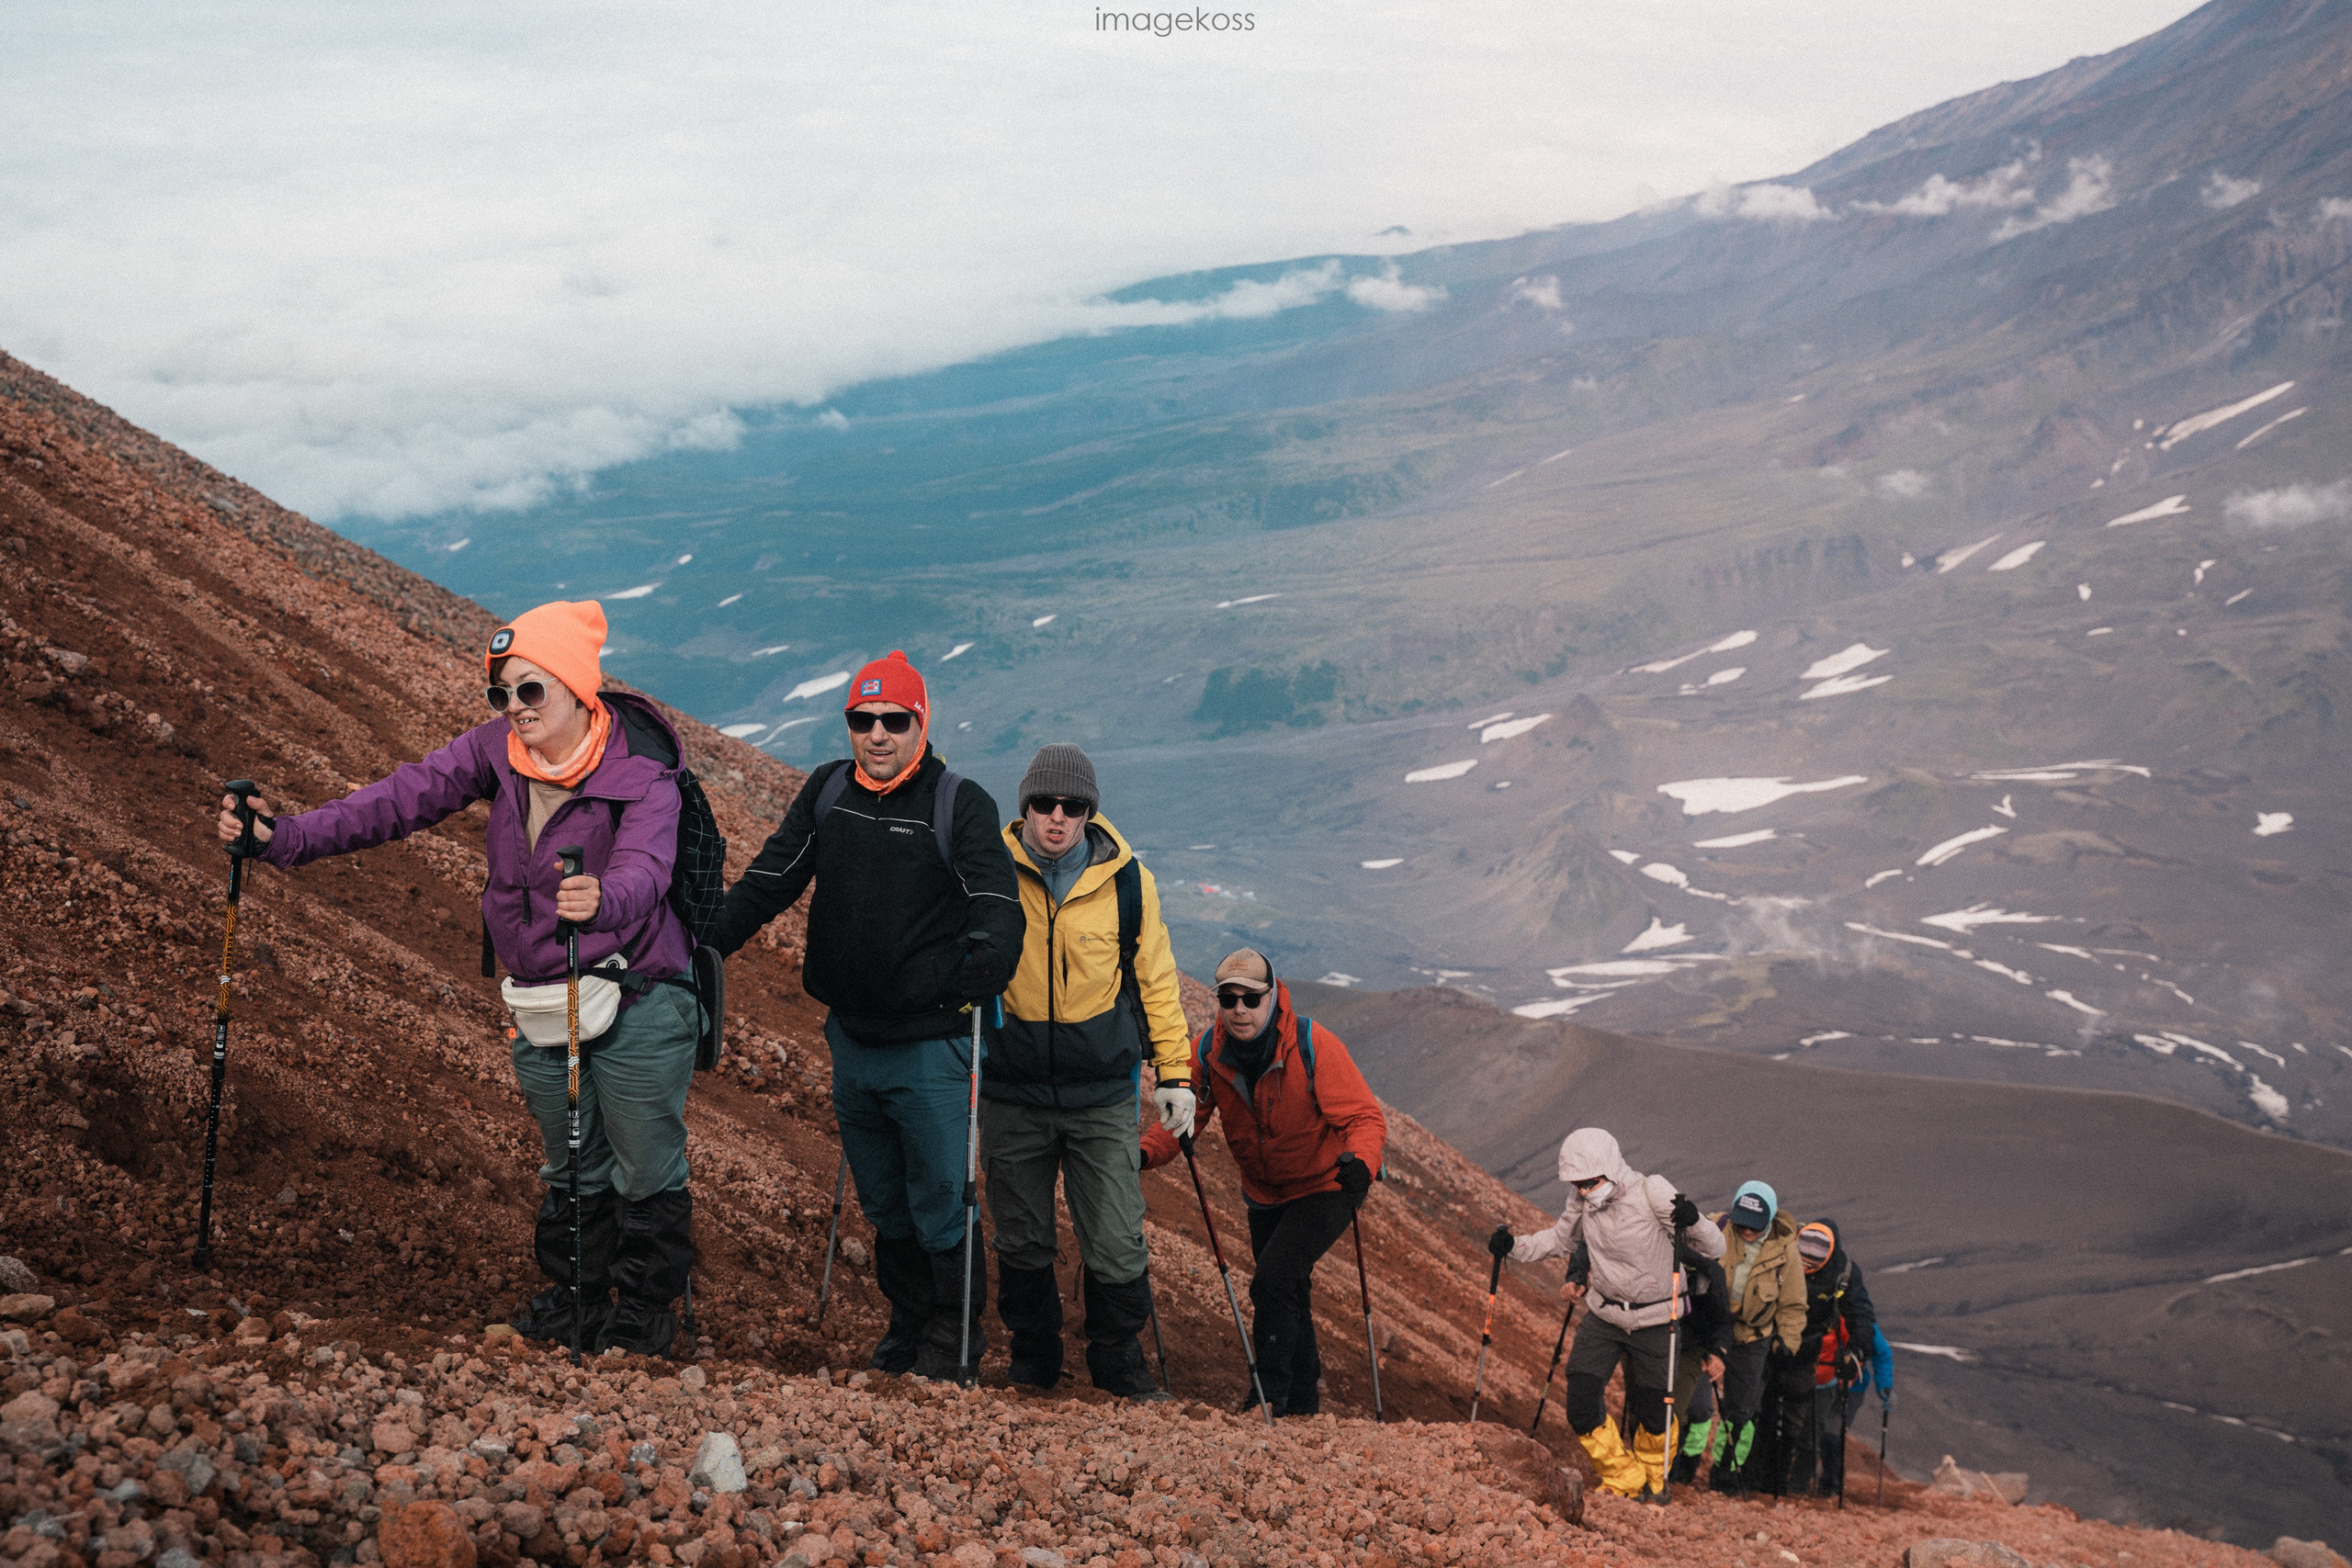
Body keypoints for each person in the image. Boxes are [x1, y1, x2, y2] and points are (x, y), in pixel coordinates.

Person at [217, 601, 702, 1356]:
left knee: (643, 1160)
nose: (514, 709)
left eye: (530, 690)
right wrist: (284, 838)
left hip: (639, 989)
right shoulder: (496, 752)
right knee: (572, 1155)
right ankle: (576, 1298)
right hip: (544, 991)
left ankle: (643, 1312)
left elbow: (647, 866)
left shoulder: (642, 774)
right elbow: (397, 800)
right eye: (500, 693)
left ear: (578, 688)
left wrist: (605, 897)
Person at [712, 651, 1022, 1380]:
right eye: (862, 719)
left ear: (921, 722)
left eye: (893, 720)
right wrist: (705, 942)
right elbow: (771, 876)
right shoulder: (828, 791)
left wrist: (989, 957)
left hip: (934, 1044)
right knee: (885, 1198)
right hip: (852, 1037)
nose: (877, 734)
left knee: (943, 1195)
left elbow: (996, 898)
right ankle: (908, 1326)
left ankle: (953, 1342)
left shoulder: (958, 801)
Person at [984, 744, 1193, 1399]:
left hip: (1102, 1092)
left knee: (1114, 1233)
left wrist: (1176, 1074)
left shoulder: (1129, 883)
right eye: (1043, 804)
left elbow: (1156, 980)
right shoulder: (988, 868)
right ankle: (1033, 1357)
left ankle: (1118, 1360)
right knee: (1020, 1231)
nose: (1056, 817)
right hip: (1012, 1087)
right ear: (1025, 808)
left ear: (1088, 813)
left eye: (1071, 807)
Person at [1142, 949, 1385, 1416]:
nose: (1239, 1009)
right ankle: (1302, 1406)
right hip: (1263, 1193)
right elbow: (1185, 1116)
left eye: (1251, 999)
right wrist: (1147, 1152)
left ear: (1272, 997)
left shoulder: (1314, 1044)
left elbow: (1364, 1117)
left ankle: (1269, 1397)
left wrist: (1363, 1163)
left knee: (1272, 1282)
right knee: (1289, 1287)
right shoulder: (1209, 1051)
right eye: (1228, 999)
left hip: (1326, 1185)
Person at [1492, 1130, 1723, 1500]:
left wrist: (1693, 1220)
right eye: (1578, 1184)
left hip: (1655, 1320)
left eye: (1590, 1183)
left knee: (1654, 1412)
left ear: (1612, 1169)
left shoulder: (1653, 1192)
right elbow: (1561, 1240)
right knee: (1582, 1400)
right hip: (1604, 1315)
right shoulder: (1580, 1200)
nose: (1584, 1191)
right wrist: (1513, 1248)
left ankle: (1654, 1480)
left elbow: (1715, 1246)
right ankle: (1624, 1478)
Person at [1709, 1180, 1807, 1495]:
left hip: (1753, 1339)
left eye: (1755, 1226)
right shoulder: (1716, 1228)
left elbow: (1793, 1304)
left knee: (1742, 1412)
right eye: (1742, 1224)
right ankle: (1679, 1467)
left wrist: (1787, 1342)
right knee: (1694, 1405)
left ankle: (1726, 1475)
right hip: (1709, 1330)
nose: (1747, 1231)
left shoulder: (1786, 1250)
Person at [1787, 1219, 1878, 1496]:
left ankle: (1800, 1488)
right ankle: (1776, 1484)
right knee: (1787, 1428)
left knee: (1813, 1434)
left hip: (1825, 1372)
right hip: (1793, 1362)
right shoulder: (1787, 1263)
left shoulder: (1845, 1280)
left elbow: (1870, 1335)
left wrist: (1857, 1355)